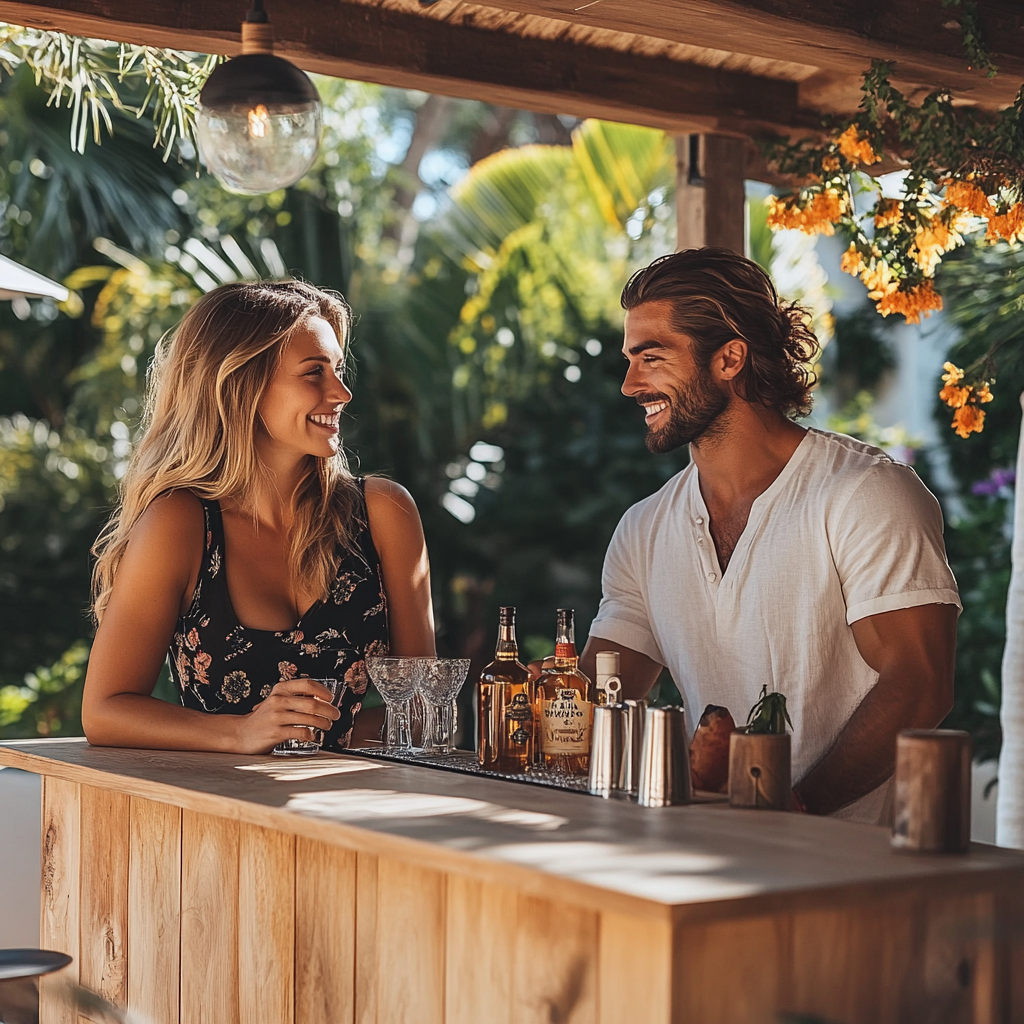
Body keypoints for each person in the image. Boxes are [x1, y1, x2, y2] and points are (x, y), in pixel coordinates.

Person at [576, 248, 960, 822]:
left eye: (651, 358)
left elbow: (921, 682)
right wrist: (543, 693)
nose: (630, 384)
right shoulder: (644, 528)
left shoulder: (864, 494)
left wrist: (797, 808)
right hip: (706, 861)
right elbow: (602, 692)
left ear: (729, 358)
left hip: (858, 875)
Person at [82, 281, 435, 754]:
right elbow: (105, 710)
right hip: (219, 817)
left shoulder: (383, 514)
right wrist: (240, 732)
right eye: (314, 373)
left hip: (355, 811)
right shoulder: (180, 524)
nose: (342, 393)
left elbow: (421, 710)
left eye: (339, 369)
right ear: (241, 384)